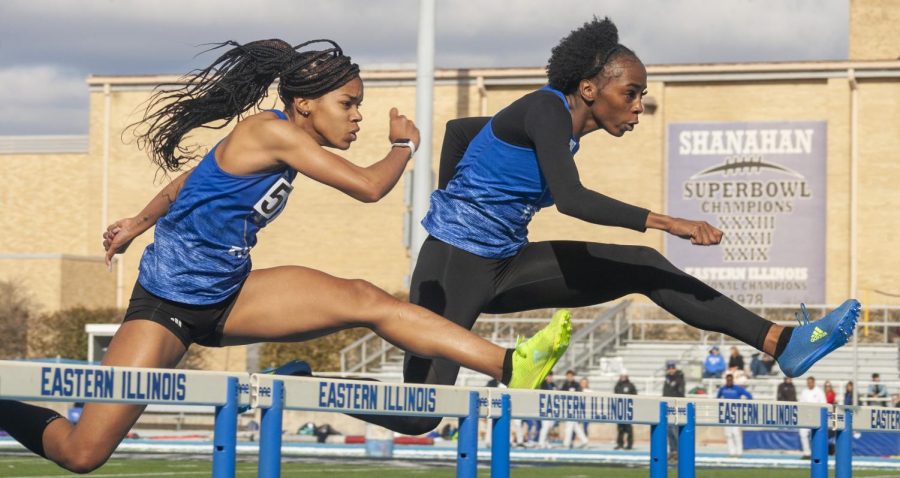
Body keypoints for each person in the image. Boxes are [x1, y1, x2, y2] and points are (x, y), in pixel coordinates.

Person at [0, 39, 571, 473]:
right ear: (304, 104)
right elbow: (370, 188)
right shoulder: (271, 135)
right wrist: (403, 146)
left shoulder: (274, 141)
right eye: (348, 104)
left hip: (232, 294)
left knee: (364, 298)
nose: (357, 116)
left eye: (359, 106)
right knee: (82, 453)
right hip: (167, 306)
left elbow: (185, 184)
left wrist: (135, 223)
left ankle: (507, 365)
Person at [361, 15, 860, 437]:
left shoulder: (558, 126)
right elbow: (573, 198)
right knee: (418, 414)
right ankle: (294, 380)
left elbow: (462, 130)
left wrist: (459, 193)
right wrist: (669, 222)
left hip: (507, 261)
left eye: (641, 95)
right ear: (589, 88)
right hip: (454, 262)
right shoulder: (545, 109)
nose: (639, 105)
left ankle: (781, 342)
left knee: (643, 267)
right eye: (632, 93)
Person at [717, 373, 752, 457]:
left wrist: (744, 406)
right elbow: (717, 398)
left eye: (730, 380)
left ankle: (739, 452)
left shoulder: (737, 389)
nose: (729, 381)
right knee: (728, 434)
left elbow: (749, 396)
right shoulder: (722, 389)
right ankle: (731, 453)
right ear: (726, 380)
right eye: (727, 380)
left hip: (736, 413)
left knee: (736, 433)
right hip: (726, 413)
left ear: (732, 380)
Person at [798, 376, 827, 459]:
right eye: (808, 382)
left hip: (816, 416)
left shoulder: (819, 392)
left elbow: (824, 403)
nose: (809, 384)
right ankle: (807, 453)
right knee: (803, 433)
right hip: (806, 416)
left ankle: (817, 453)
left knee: (817, 435)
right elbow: (801, 403)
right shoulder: (804, 391)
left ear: (814, 382)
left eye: (810, 382)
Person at [560, 370, 589, 449]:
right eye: (568, 375)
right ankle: (584, 441)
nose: (569, 377)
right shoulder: (564, 385)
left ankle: (566, 443)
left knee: (569, 426)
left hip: (574, 408)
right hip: (567, 408)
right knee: (575, 426)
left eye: (571, 376)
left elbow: (579, 396)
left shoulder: (576, 385)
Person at [663, 360, 685, 461]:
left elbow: (680, 392)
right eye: (669, 368)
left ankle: (680, 452)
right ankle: (673, 451)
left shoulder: (679, 377)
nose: (671, 370)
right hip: (668, 404)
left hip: (676, 404)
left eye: (672, 368)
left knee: (674, 429)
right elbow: (666, 392)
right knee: (669, 430)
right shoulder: (667, 378)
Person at [614, 373, 637, 450]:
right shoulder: (617, 385)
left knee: (628, 428)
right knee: (620, 428)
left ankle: (629, 444)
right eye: (621, 376)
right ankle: (620, 443)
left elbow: (635, 396)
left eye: (624, 376)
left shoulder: (630, 385)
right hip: (620, 409)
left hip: (628, 410)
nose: (623, 377)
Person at [537, 372, 559, 447]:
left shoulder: (553, 385)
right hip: (544, 408)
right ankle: (541, 442)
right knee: (545, 426)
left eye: (551, 376)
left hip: (551, 409)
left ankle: (545, 441)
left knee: (549, 426)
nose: (550, 378)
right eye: (549, 376)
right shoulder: (543, 384)